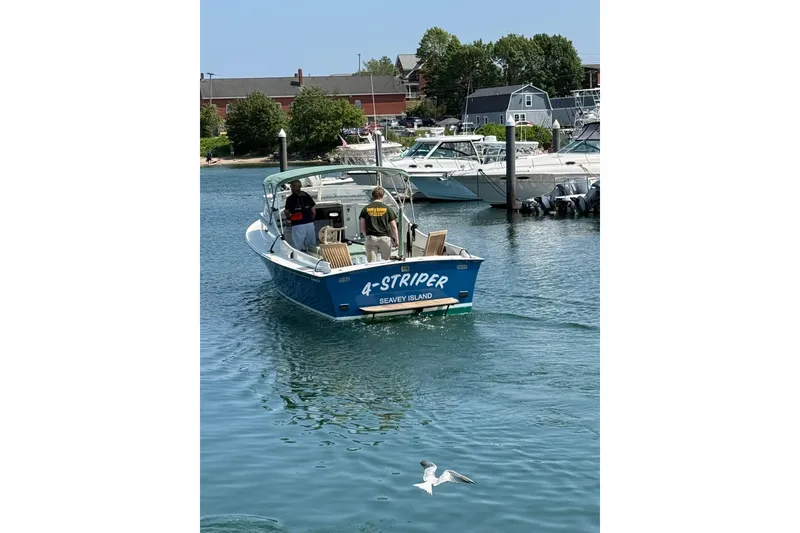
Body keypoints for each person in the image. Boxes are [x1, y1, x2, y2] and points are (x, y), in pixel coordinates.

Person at [359, 186, 399, 262]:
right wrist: (396, 240)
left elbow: (362, 228)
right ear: (382, 196)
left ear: (372, 196)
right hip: (384, 238)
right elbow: (394, 226)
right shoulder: (387, 209)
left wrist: (367, 237)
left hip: (371, 238)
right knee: (386, 262)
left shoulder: (365, 209)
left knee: (371, 264)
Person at [284, 179, 317, 252]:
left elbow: (287, 212)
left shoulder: (290, 199)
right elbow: (313, 211)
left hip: (298, 225)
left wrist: (288, 219)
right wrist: (311, 220)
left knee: (297, 247)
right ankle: (313, 258)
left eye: (291, 186)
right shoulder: (307, 196)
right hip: (310, 224)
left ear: (293, 187)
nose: (291, 187)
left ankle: (297, 260)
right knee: (311, 246)